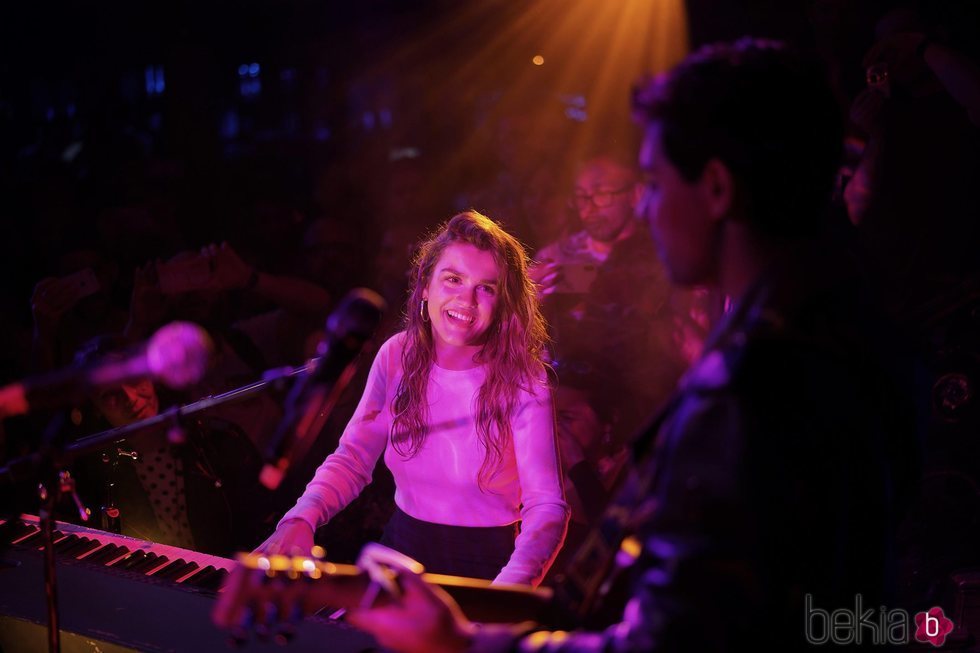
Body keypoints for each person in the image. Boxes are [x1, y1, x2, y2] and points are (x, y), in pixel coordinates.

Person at [214, 39, 918, 651]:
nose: (642, 206)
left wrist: (462, 640)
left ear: (714, 187)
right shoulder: (816, 333)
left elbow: (680, 635)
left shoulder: (767, 380)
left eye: (650, 180)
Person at [256, 211, 569, 587]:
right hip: (398, 554)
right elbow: (353, 457)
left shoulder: (525, 379)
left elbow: (546, 506)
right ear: (425, 286)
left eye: (486, 288)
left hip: (489, 569)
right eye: (453, 279)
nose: (466, 299)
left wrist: (507, 593)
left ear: (503, 303)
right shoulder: (397, 355)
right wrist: (301, 517)